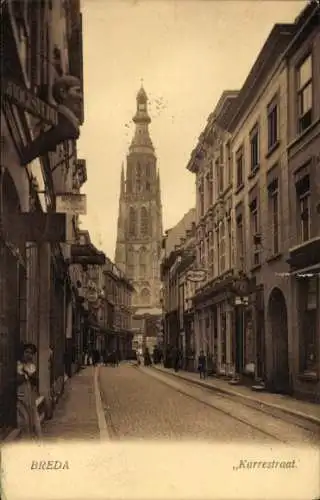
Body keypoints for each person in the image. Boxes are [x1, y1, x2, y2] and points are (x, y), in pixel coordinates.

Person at [17, 342, 42, 439]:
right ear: (23, 353)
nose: (28, 355)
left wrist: (27, 374)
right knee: (25, 423)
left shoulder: (32, 366)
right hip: (19, 399)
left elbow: (35, 380)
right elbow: (18, 379)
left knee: (35, 424)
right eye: (27, 352)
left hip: (30, 399)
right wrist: (26, 375)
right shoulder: (18, 365)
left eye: (31, 353)